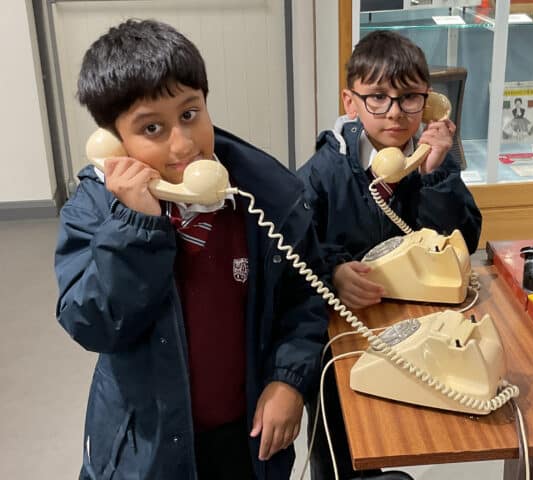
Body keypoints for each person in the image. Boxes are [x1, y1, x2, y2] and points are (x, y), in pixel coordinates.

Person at [54, 19, 328, 480]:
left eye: (189, 115)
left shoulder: (266, 198)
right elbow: (93, 323)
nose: (183, 145)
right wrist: (135, 226)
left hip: (245, 435)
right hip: (147, 442)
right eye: (152, 128)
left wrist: (289, 380)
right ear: (114, 143)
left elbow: (303, 302)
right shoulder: (94, 210)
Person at [296, 30, 482, 479]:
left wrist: (437, 175)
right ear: (351, 102)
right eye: (377, 97)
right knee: (342, 449)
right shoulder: (323, 173)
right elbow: (293, 253)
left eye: (409, 98)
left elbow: (464, 242)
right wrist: (334, 272)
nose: (395, 112)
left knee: (402, 433)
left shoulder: (433, 160)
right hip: (341, 339)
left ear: (429, 102)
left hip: (413, 327)